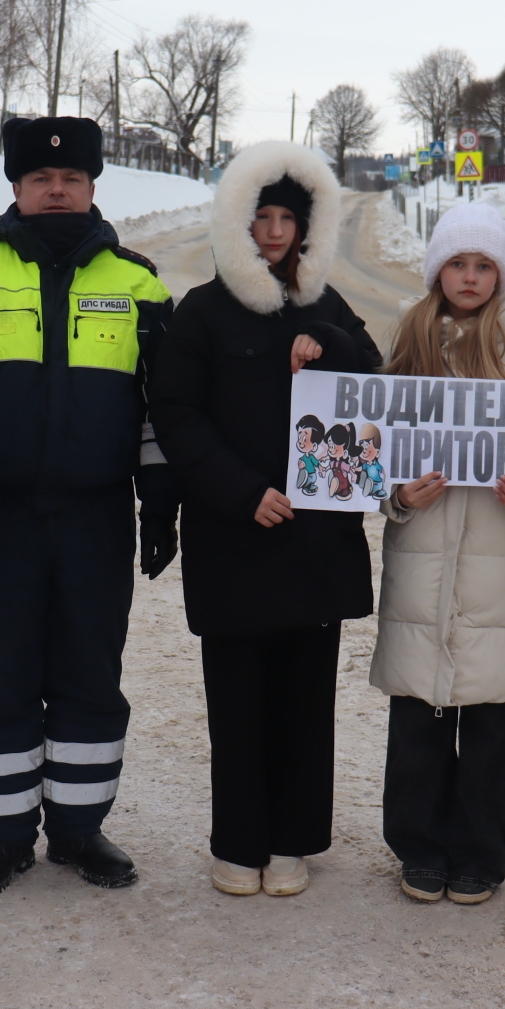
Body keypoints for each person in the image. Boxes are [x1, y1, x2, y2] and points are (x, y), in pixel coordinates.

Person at [0, 117, 176, 899]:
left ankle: (80, 830)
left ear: (93, 187)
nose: (57, 190)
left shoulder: (139, 284)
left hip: (96, 514)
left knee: (91, 670)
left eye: (72, 180)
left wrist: (159, 504)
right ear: (16, 189)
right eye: (40, 180)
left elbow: (164, 409)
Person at [146, 141, 380, 899]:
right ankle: (238, 842)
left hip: (315, 543)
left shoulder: (330, 305)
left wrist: (334, 345)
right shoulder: (204, 314)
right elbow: (176, 416)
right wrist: (240, 490)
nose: (274, 231)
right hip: (236, 536)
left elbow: (375, 388)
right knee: (240, 699)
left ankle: (294, 841)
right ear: (237, 222)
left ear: (308, 229)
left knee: (306, 702)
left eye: (288, 218)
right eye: (262, 216)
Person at [371, 202, 505, 907]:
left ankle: (481, 854)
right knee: (418, 718)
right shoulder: (407, 349)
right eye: (458, 262)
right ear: (437, 270)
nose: (470, 276)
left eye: (484, 264)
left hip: (499, 568)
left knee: (488, 725)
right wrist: (398, 496)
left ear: (500, 274)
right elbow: (369, 455)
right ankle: (418, 848)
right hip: (421, 559)